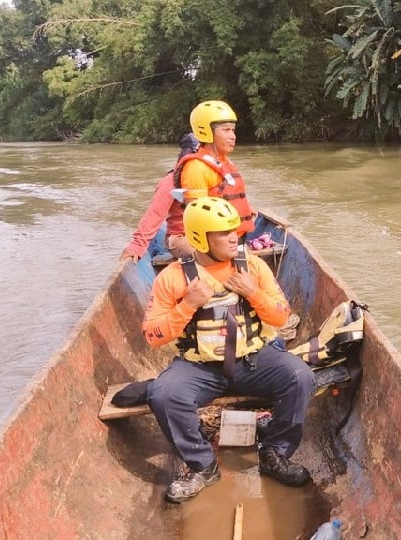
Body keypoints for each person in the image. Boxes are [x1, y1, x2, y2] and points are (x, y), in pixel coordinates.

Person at [141, 196, 314, 503]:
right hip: (200, 367)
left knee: (299, 376)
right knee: (163, 393)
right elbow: (152, 335)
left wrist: (254, 292)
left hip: (255, 359)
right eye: (222, 232)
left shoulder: (254, 267)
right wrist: (188, 304)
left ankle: (275, 452)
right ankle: (203, 466)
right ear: (199, 237)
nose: (234, 237)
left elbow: (281, 315)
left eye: (234, 229)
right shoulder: (173, 278)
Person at [173, 100, 256, 250]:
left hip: (236, 240)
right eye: (226, 130)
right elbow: (198, 218)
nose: (233, 136)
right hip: (215, 247)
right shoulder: (196, 167)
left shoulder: (225, 162)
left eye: (233, 130)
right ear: (206, 132)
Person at [119, 133, 200, 262]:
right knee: (208, 256)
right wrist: (137, 245)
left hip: (208, 237)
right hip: (179, 238)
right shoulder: (171, 181)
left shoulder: (214, 178)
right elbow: (155, 214)